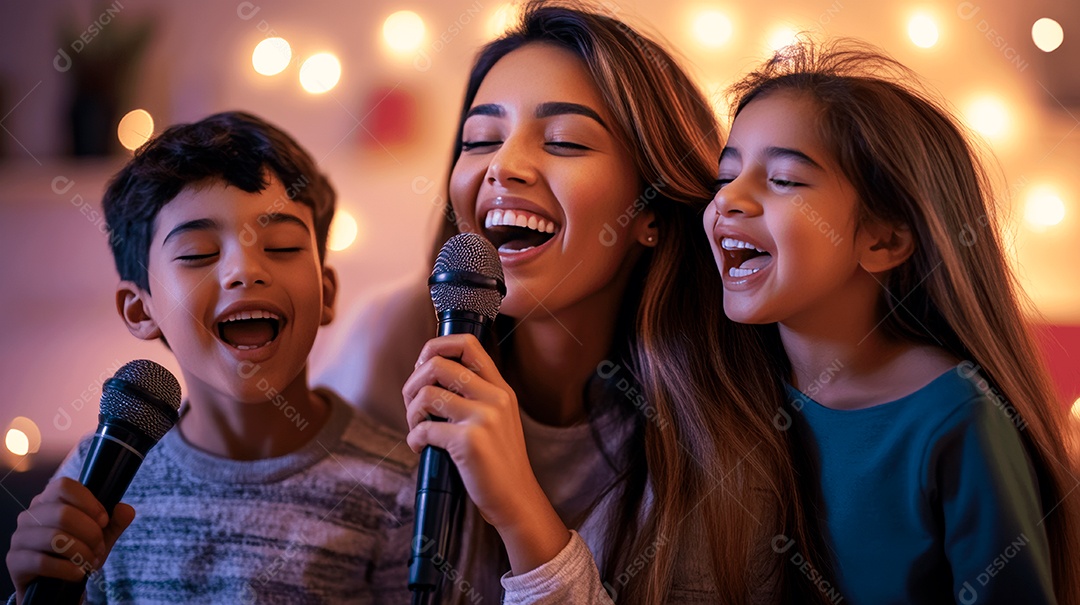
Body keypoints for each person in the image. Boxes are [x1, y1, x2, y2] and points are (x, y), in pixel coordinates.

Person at [320, 2, 832, 603]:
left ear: (651, 211)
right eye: (480, 139)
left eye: (563, 142)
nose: (503, 166)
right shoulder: (394, 339)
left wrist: (521, 513)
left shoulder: (725, 439)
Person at [704, 38, 1080, 604]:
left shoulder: (956, 417)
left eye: (783, 180)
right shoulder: (726, 388)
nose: (730, 199)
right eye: (725, 177)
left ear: (884, 239)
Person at [5, 111, 417, 604]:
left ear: (327, 293)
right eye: (198, 253)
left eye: (282, 245)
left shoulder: (396, 486)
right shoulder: (96, 478)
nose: (244, 270)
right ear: (141, 309)